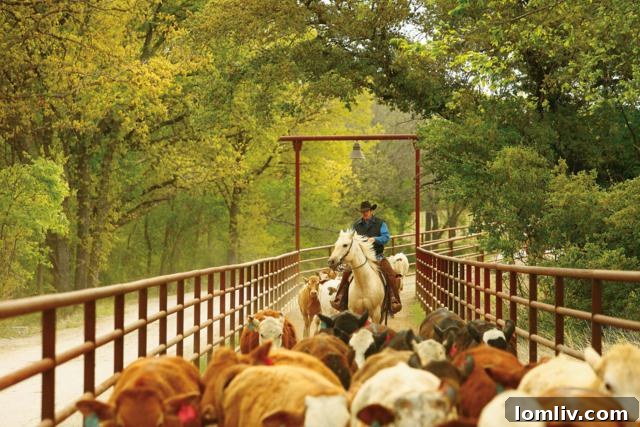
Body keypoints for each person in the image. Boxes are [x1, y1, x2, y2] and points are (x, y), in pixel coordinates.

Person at [330, 201, 402, 314]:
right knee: (346, 274)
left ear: (371, 211)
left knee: (390, 273)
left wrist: (375, 239)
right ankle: (340, 299)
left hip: (377, 256)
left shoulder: (380, 223)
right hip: (360, 257)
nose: (365, 213)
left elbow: (386, 237)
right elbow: (350, 240)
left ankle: (394, 300)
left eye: (367, 211)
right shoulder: (356, 225)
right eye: (363, 212)